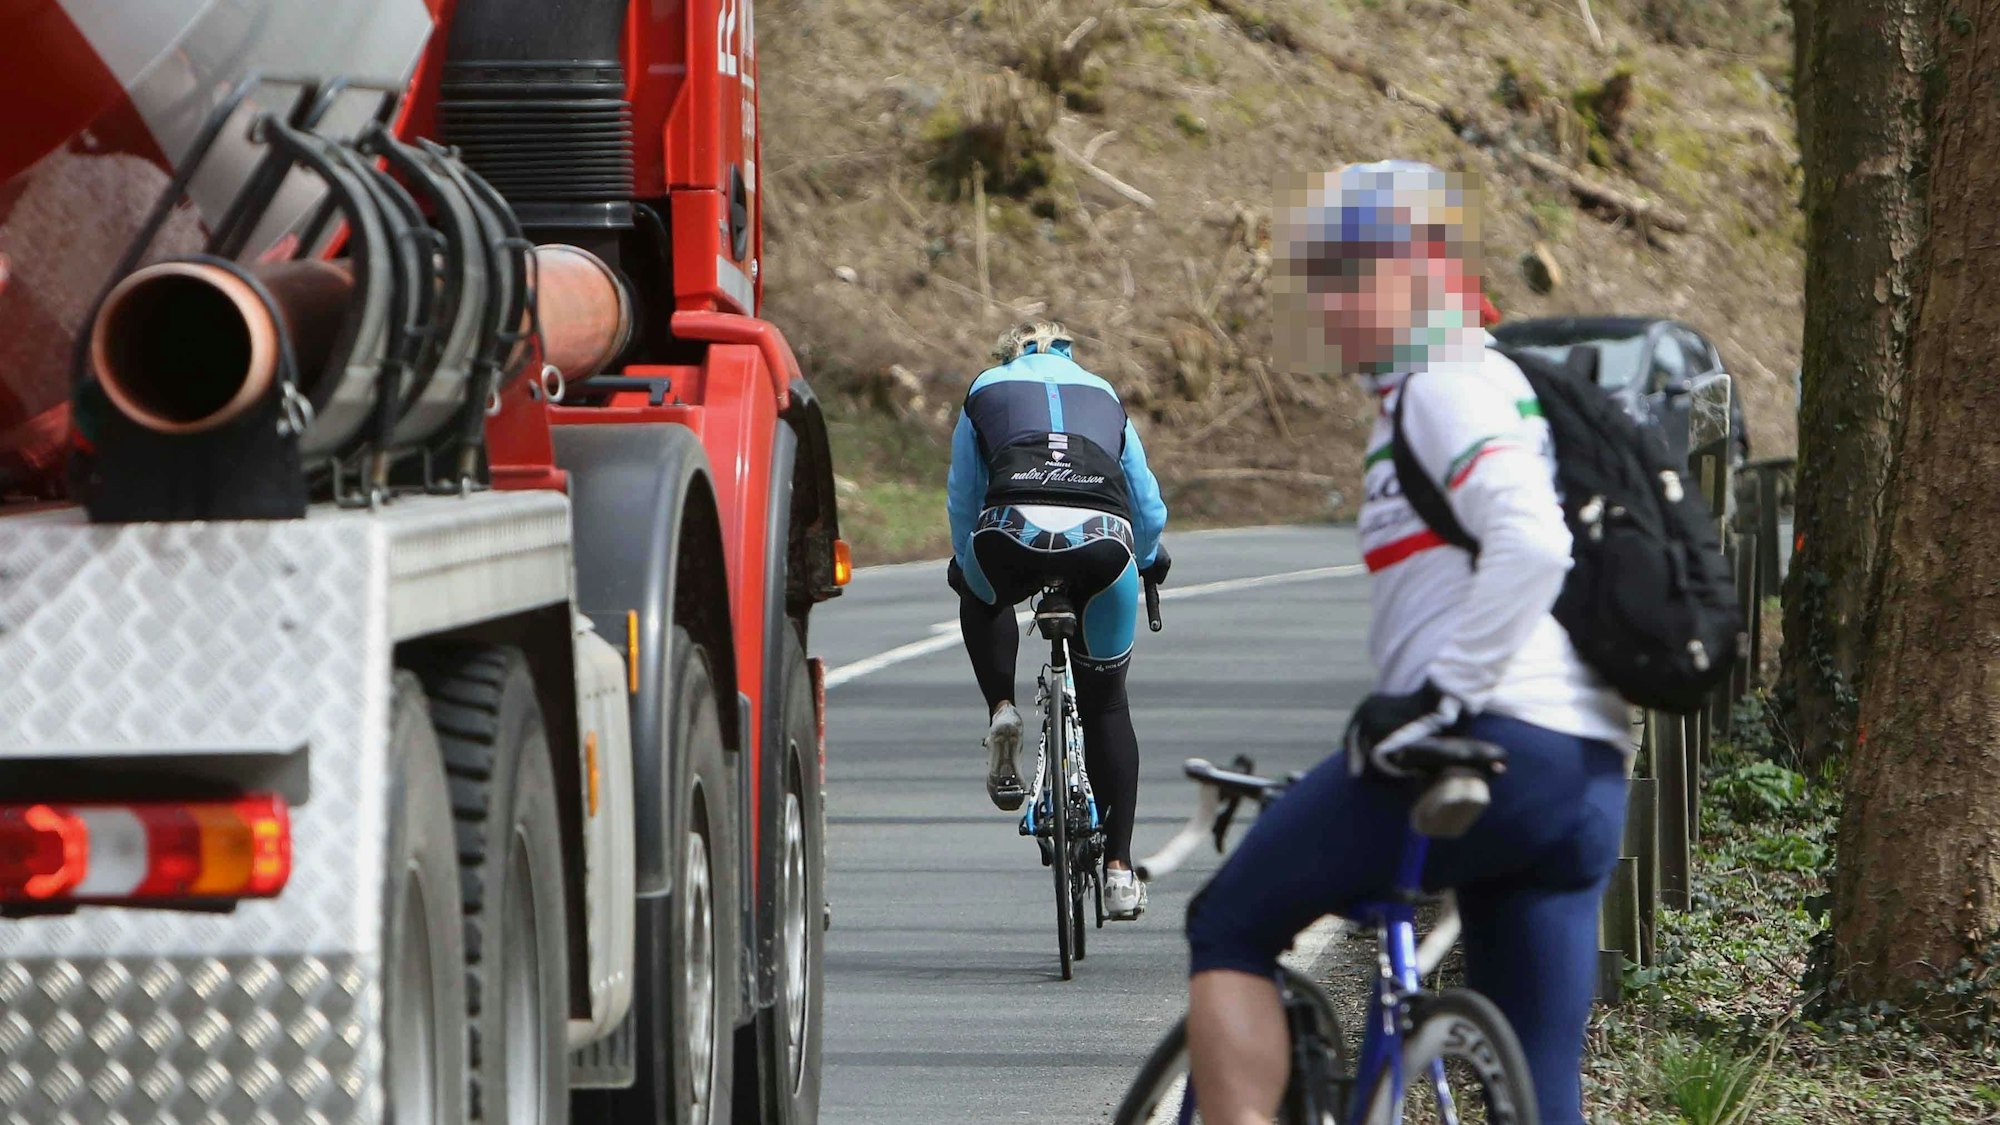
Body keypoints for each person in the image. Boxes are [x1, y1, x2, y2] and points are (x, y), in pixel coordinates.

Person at [1181, 162, 1631, 1124]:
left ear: (1409, 274)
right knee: (1539, 1080)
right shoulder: (1495, 381)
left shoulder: (1443, 383)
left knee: (1228, 924)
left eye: (1341, 278)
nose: (1325, 304)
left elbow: (1532, 540)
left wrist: (1439, 695)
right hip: (1583, 770)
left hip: (1483, 744)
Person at [945, 320, 1170, 920]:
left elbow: (965, 496)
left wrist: (968, 565)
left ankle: (1002, 708)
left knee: (982, 590)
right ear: (1071, 353)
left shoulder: (985, 387)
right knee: (1108, 705)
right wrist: (1149, 559)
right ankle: (1119, 871)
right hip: (1101, 538)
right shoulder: (1104, 392)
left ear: (1008, 353)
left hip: (1010, 531)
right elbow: (1146, 502)